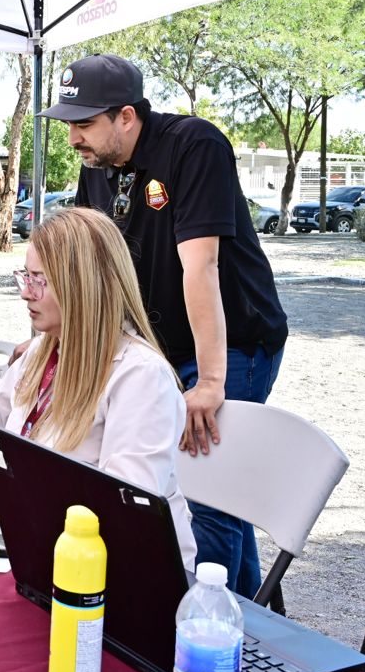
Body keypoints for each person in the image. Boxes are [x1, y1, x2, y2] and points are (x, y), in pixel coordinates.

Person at [39, 53, 288, 598]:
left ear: (126, 116)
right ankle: (249, 626)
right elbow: (89, 272)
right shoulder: (96, 168)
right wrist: (48, 345)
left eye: (84, 124)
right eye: (69, 125)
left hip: (233, 343)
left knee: (210, 496)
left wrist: (211, 382)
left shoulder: (194, 146)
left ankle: (213, 627)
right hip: (157, 348)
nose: (74, 138)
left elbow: (202, 268)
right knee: (212, 493)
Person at [0, 207, 195, 567]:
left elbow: (124, 510)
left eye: (38, 279)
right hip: (46, 549)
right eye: (25, 276)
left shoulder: (141, 376)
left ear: (81, 285)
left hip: (122, 576)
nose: (25, 293)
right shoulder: (43, 350)